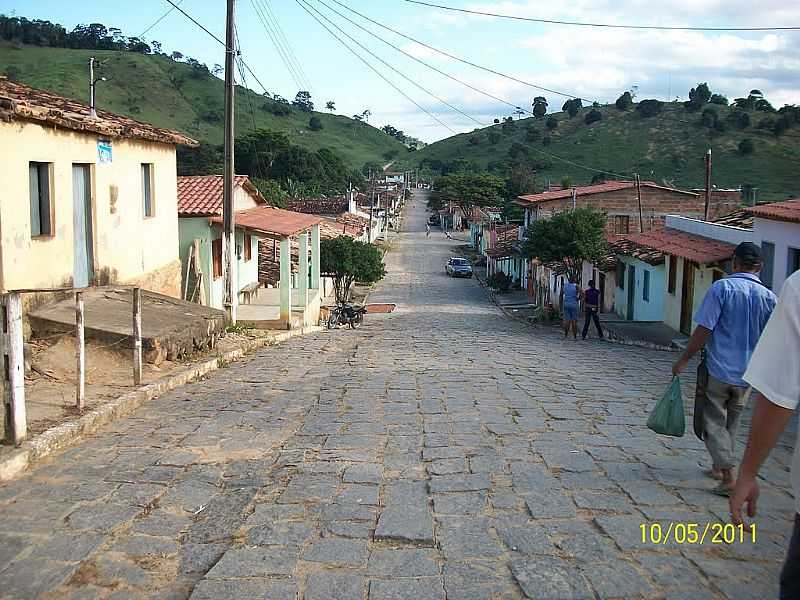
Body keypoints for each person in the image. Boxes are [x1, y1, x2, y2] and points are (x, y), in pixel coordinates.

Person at [672, 242, 777, 495]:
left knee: (712, 422)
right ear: (760, 267)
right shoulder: (771, 298)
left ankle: (729, 476)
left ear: (734, 263)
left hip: (719, 369)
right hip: (748, 375)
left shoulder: (723, 288)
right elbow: (772, 339)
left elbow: (705, 329)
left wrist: (685, 358)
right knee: (732, 421)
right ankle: (718, 468)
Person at [729, 270, 800, 599]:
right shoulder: (772, 296)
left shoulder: (797, 288)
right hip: (744, 373)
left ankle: (723, 464)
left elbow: (778, 392)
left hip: (725, 369)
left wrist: (748, 473)